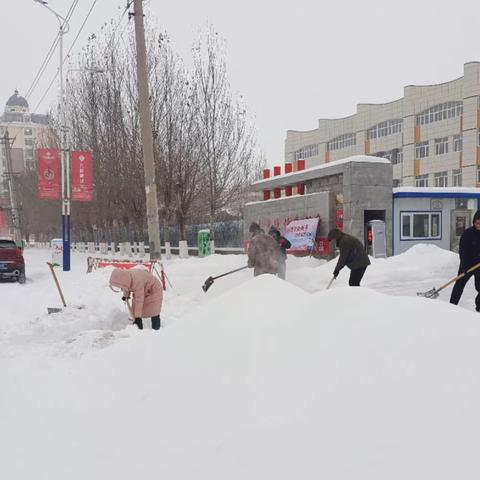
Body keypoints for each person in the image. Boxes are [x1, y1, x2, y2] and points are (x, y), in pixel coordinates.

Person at [450, 210, 480, 310]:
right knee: (459, 284)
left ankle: (479, 307)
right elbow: (463, 252)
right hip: (467, 264)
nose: (478, 225)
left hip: (479, 265)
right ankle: (451, 306)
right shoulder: (468, 233)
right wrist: (465, 266)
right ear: (474, 222)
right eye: (477, 223)